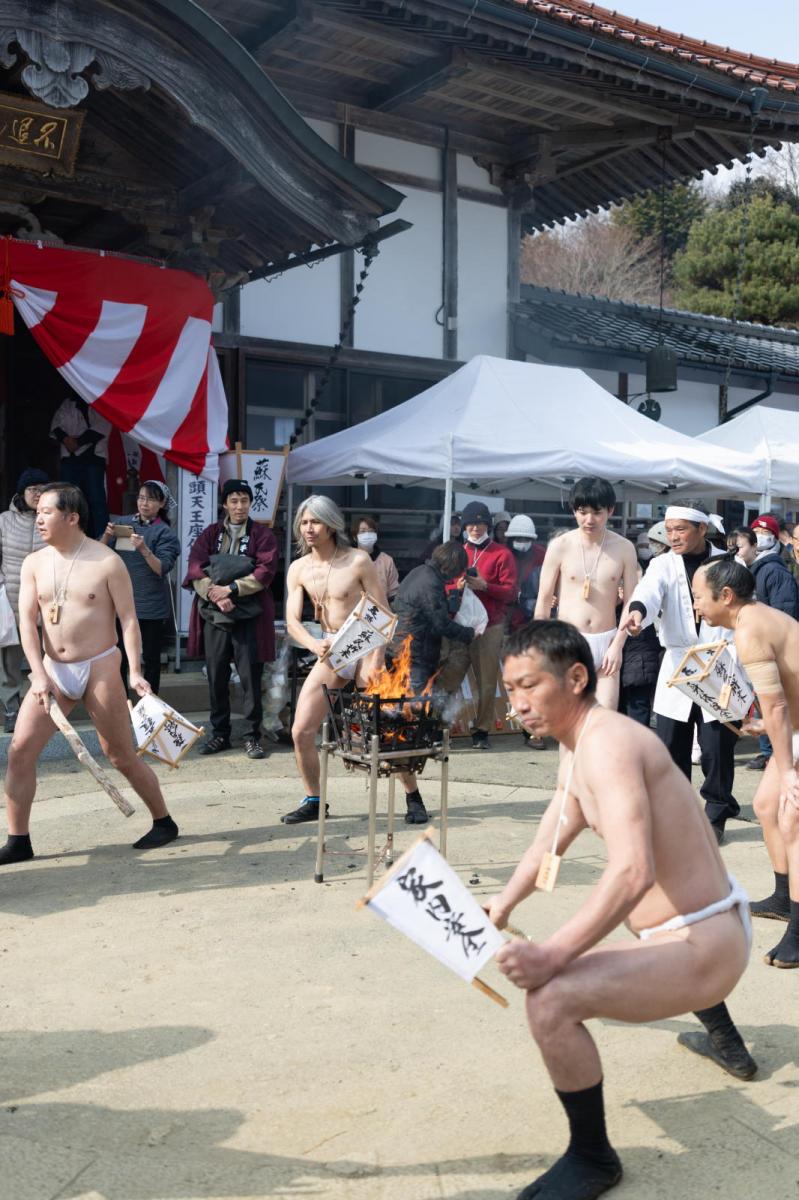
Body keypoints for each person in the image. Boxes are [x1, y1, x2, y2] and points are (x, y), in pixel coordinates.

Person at [486, 620, 755, 1200]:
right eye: (510, 690)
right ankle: (718, 1024)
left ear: (577, 677)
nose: (518, 704)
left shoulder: (607, 743)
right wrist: (501, 904)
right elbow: (548, 842)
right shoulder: (579, 749)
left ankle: (592, 1157)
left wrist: (554, 953)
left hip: (700, 943)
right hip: (687, 933)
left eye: (529, 685)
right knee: (592, 969)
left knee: (552, 999)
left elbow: (634, 871)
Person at [0, 483, 179, 865]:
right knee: (19, 752)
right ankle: (18, 840)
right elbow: (26, 623)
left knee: (120, 755)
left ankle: (164, 821)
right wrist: (36, 673)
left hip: (98, 664)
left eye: (48, 511)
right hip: (52, 668)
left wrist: (134, 671)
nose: (40, 518)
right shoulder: (34, 563)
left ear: (72, 517)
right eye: (39, 511)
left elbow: (129, 619)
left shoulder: (106, 561)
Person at [693, 559, 799, 967]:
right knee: (766, 806)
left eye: (700, 597)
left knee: (791, 815)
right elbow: (778, 705)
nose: (697, 605)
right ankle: (783, 896)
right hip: (794, 729)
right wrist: (766, 728)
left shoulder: (750, 629)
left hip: (795, 729)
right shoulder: (752, 620)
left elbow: (777, 703)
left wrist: (788, 771)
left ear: (726, 596)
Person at [622, 505, 739, 844]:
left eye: (681, 529)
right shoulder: (661, 563)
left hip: (719, 660)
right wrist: (637, 611)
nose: (673, 536)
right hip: (677, 660)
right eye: (669, 529)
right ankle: (677, 814)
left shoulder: (729, 564)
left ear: (702, 529)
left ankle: (716, 814)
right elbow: (648, 591)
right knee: (671, 743)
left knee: (717, 747)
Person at [282, 494, 395, 825]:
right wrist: (314, 645)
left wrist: (375, 658)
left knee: (381, 727)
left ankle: (412, 793)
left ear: (331, 525)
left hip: (364, 640)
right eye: (304, 522)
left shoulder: (358, 560)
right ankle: (314, 799)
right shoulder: (298, 568)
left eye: (315, 522)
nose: (309, 529)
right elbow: (291, 620)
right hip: (330, 646)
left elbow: (383, 613)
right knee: (301, 730)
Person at [183, 479, 278, 761]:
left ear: (251, 503)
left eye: (244, 500)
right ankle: (220, 733)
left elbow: (266, 570)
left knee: (250, 675)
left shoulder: (262, 535)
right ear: (224, 504)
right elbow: (195, 568)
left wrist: (232, 589)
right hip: (215, 613)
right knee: (217, 674)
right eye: (234, 501)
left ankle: (252, 736)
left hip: (249, 614)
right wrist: (216, 593)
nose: (239, 506)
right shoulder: (210, 534)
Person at [390, 540, 475, 823]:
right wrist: (468, 633)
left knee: (404, 719)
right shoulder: (431, 582)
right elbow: (440, 624)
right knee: (410, 722)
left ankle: (424, 746)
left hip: (400, 651)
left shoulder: (417, 573)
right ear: (452, 567)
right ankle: (415, 792)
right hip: (414, 656)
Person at [534, 477, 637, 710]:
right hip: (569, 641)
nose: (589, 519)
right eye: (582, 512)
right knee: (570, 724)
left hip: (608, 639)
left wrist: (618, 644)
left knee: (604, 718)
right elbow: (543, 599)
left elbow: (631, 601)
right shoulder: (560, 545)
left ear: (610, 510)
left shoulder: (624, 548)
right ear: (574, 511)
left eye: (597, 512)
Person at [100, 481, 180, 695]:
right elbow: (98, 554)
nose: (144, 503)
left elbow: (161, 568)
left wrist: (144, 548)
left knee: (151, 658)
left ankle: (151, 701)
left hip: (151, 605)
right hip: (121, 603)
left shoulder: (165, 533)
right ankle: (121, 701)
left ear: (162, 503)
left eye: (151, 499)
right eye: (142, 498)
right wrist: (108, 535)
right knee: (120, 656)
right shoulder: (123, 523)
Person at [742, 515, 799, 774]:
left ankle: (774, 752)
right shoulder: (754, 567)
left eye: (765, 531)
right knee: (764, 700)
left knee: (773, 700)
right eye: (756, 531)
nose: (760, 535)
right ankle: (769, 752)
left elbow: (784, 613)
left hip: (773, 648)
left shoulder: (775, 570)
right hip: (760, 646)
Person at [460, 500, 517, 749]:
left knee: (486, 680)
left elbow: (511, 592)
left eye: (481, 523)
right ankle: (439, 724)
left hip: (491, 625)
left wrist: (485, 586)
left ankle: (481, 729)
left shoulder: (502, 553)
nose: (475, 528)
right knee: (450, 676)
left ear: (488, 525)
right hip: (460, 626)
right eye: (471, 523)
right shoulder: (458, 552)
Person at [0, 468, 47, 733]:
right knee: (8, 661)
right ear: (22, 493)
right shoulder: (4, 520)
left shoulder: (53, 518)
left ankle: (38, 707)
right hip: (11, 599)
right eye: (32, 489)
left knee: (43, 657)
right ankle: (11, 708)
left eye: (42, 488)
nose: (37, 493)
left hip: (43, 600)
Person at [618, 521, 666, 729]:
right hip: (627, 651)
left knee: (637, 703)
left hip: (639, 650)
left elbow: (646, 603)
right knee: (623, 705)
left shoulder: (647, 573)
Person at [49, 395, 111, 538]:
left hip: (93, 459)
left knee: (96, 501)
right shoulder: (67, 403)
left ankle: (103, 539)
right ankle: (71, 536)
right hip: (70, 461)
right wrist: (65, 439)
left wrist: (79, 442)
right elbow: (56, 426)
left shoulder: (98, 401)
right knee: (70, 500)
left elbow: (102, 427)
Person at [351, 515, 399, 604]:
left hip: (380, 610)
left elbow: (393, 592)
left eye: (371, 531)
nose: (367, 534)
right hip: (353, 612)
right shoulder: (348, 560)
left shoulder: (386, 560)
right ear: (354, 537)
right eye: (362, 531)